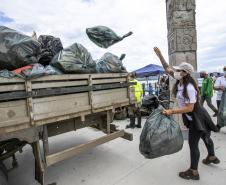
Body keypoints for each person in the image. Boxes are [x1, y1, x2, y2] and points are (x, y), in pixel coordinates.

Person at [154, 47, 220, 180]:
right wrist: (159, 55)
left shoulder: (189, 87)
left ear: (186, 73)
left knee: (193, 144)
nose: (176, 72)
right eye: (177, 70)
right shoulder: (179, 81)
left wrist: (171, 111)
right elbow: (167, 68)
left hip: (197, 116)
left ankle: (193, 172)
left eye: (179, 70)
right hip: (196, 115)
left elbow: (190, 108)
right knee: (205, 136)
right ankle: (212, 156)